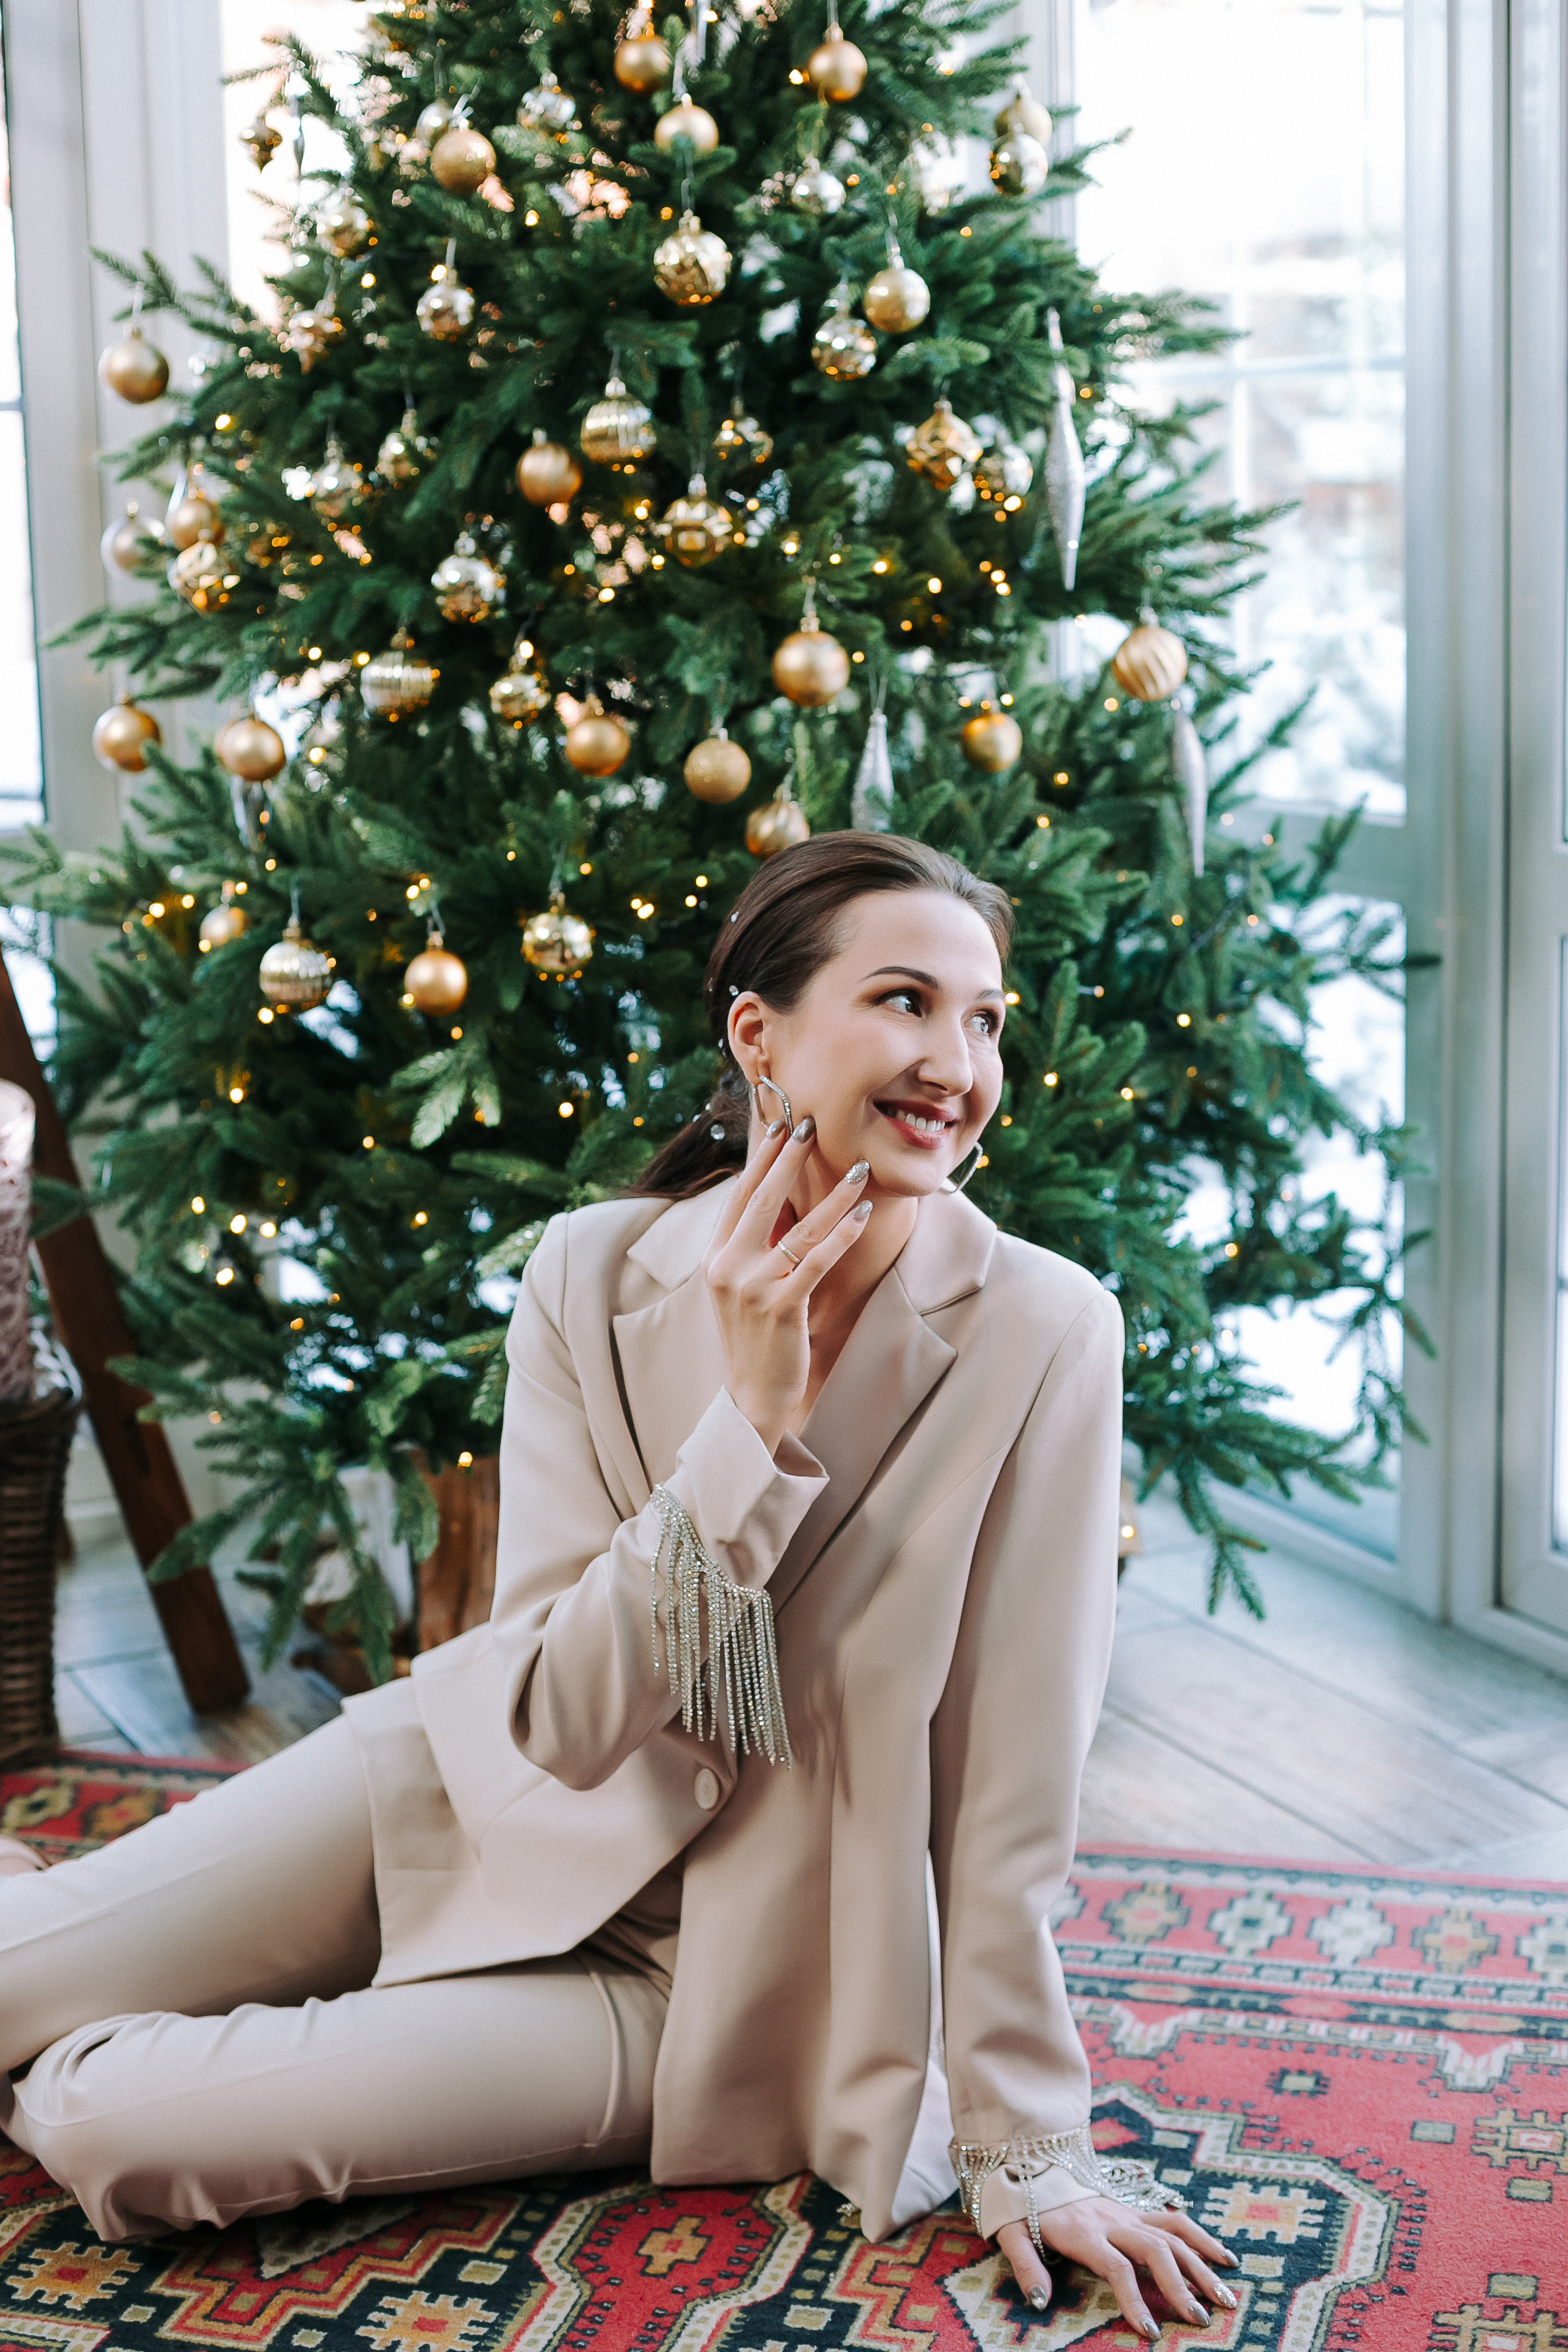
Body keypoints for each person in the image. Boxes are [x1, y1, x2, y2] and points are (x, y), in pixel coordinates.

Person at [0, 834, 1236, 2340]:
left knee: (128, 2138)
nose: (956, 1061)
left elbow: (1009, 1798)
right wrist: (743, 1435)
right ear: (759, 1036)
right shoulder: (591, 1272)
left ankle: (87, 2005)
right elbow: (558, 1720)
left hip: (715, 1989)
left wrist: (1028, 2149)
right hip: (458, 1794)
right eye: (906, 1000)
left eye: (984, 1018)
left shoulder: (1047, 1332)